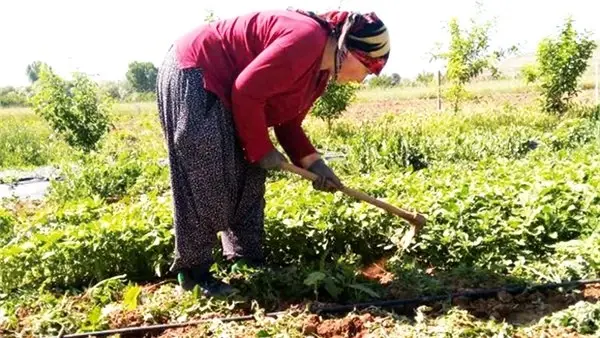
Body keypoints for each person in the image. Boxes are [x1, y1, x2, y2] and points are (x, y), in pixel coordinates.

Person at [156, 8, 390, 296]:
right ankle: (194, 275)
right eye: (370, 68)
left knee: (251, 175)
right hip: (198, 72)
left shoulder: (318, 74)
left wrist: (315, 164)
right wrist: (261, 148)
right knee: (209, 173)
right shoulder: (306, 39)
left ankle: (245, 260)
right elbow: (245, 90)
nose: (364, 78)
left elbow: (287, 123)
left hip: (231, 89)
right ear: (352, 51)